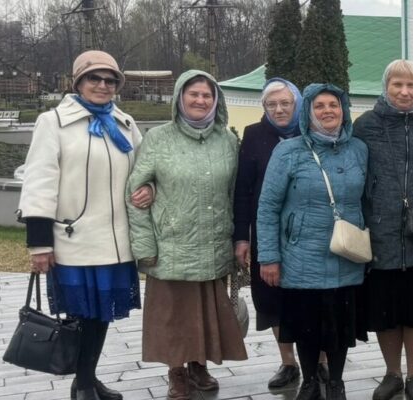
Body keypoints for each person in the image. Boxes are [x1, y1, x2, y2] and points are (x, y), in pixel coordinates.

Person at [19, 50, 144, 400]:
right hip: (72, 240)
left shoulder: (126, 124)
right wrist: (39, 243)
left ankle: (86, 379)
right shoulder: (53, 122)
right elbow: (39, 182)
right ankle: (84, 384)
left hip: (116, 241)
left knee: (100, 316)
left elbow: (142, 171)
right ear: (78, 82)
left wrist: (147, 188)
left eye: (110, 80)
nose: (103, 85)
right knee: (80, 316)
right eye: (95, 78)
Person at [126, 70, 246, 400]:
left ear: (215, 101)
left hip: (212, 243)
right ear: (180, 97)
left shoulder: (227, 140)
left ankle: (199, 365)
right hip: (171, 245)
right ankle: (176, 371)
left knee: (205, 313)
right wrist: (145, 244)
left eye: (207, 95)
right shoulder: (158, 139)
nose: (200, 100)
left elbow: (237, 193)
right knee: (172, 315)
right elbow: (134, 193)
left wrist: (239, 239)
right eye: (193, 94)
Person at [255, 83, 370, 400]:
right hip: (300, 253)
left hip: (346, 251)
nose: (328, 111)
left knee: (340, 323)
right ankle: (308, 380)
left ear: (343, 110)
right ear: (307, 111)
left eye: (334, 105)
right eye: (319, 106)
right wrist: (269, 256)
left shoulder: (358, 149)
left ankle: (335, 381)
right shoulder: (289, 151)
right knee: (306, 324)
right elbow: (267, 207)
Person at [353, 60, 413, 400]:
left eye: (411, 85)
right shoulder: (365, 125)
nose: (405, 91)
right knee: (387, 310)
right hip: (381, 229)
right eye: (397, 85)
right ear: (386, 87)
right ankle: (392, 373)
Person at [232, 77, 327, 390]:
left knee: (313, 297)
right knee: (271, 297)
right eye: (272, 104)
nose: (279, 109)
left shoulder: (312, 133)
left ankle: (322, 361)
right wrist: (242, 238)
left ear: (297, 103)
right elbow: (243, 191)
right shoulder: (254, 135)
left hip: (309, 230)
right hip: (267, 229)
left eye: (285, 103)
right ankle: (288, 362)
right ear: (264, 107)